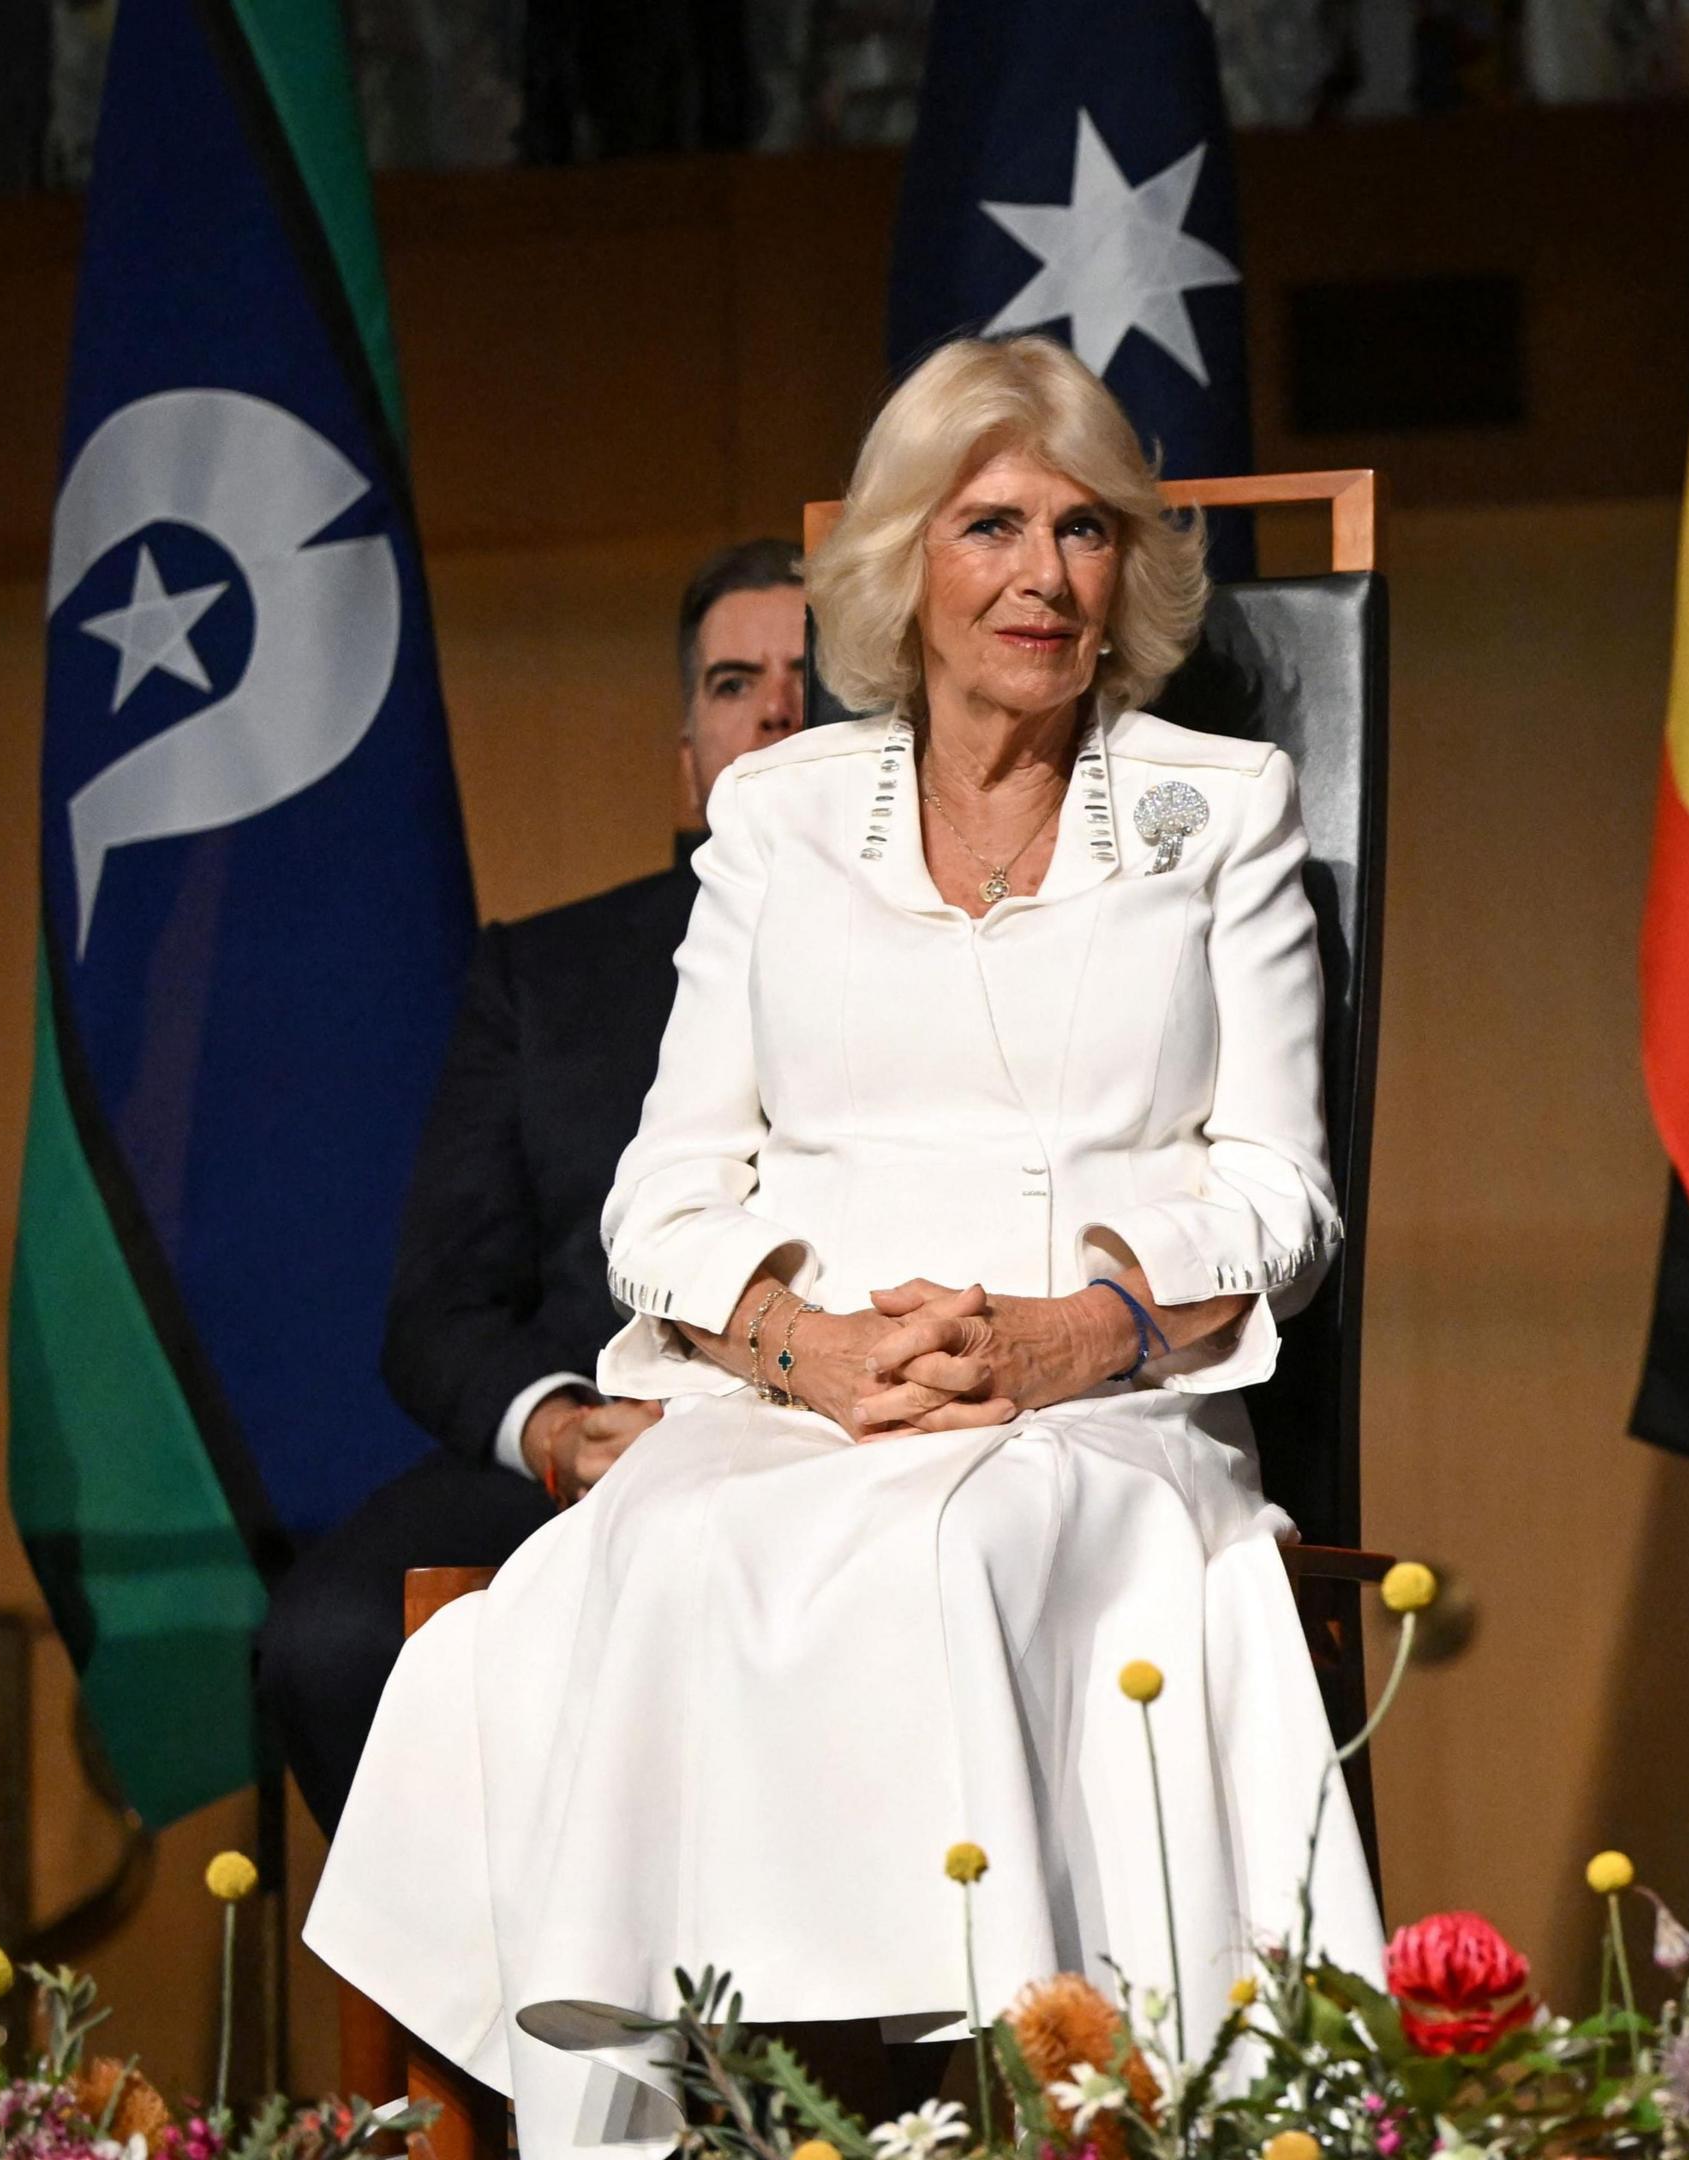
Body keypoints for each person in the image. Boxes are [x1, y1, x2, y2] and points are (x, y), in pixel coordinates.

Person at [307, 337, 1374, 2153]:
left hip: (1100, 1400)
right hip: (805, 1392)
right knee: (631, 1573)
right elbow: (659, 1196)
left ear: (1129, 574)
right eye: (990, 527)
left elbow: (1284, 1195)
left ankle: (997, 2098)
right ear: (904, 567)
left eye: (1083, 530)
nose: (1041, 576)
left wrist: (1073, 1332)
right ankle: (685, 2107)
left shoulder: (1223, 809)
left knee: (954, 1553)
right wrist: (800, 1350)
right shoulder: (780, 814)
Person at [254, 536, 811, 1827]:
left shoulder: (933, 949)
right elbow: (435, 1314)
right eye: (734, 682)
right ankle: (499, 2022)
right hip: (586, 1452)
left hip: (824, 1443)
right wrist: (559, 1435)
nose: (777, 706)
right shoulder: (542, 977)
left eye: (809, 673)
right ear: (685, 757)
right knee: (331, 1639)